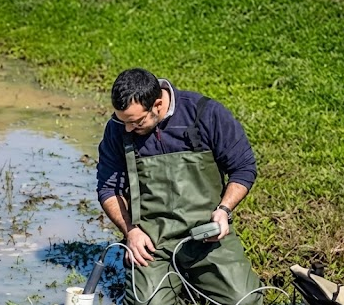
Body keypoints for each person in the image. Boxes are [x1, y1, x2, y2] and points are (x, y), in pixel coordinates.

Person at [95, 68, 263, 304]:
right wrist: (131, 231)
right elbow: (108, 188)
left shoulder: (205, 113)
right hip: (153, 240)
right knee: (146, 303)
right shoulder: (118, 128)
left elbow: (244, 167)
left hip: (206, 235)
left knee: (244, 300)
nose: (128, 130)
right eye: (123, 121)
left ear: (158, 104)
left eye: (136, 122)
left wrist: (224, 210)